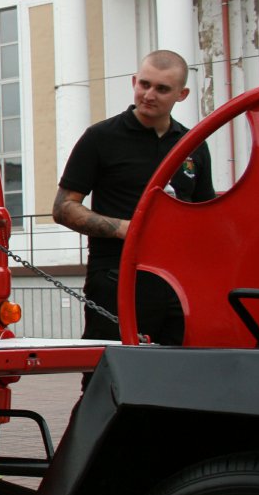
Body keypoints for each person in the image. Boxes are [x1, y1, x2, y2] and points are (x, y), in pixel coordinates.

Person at [52, 49, 215, 343]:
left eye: (162, 88)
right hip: (116, 278)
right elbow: (63, 208)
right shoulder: (100, 137)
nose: (149, 94)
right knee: (108, 375)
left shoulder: (193, 145)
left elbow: (206, 215)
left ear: (182, 94)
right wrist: (128, 229)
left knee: (182, 374)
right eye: (144, 84)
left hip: (177, 283)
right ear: (133, 82)